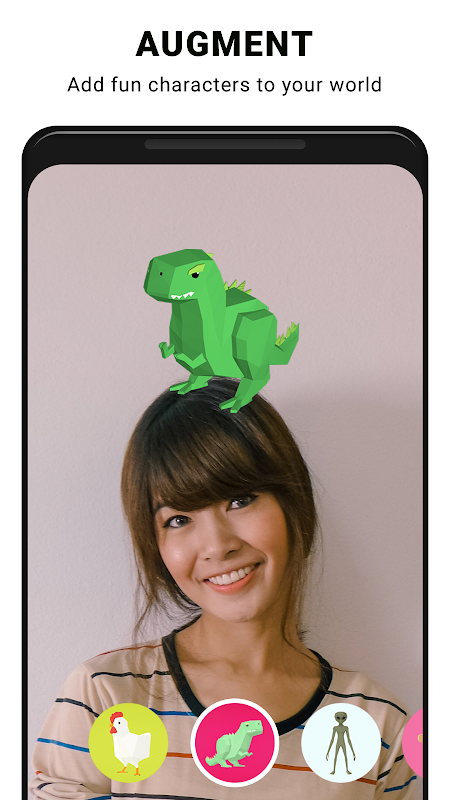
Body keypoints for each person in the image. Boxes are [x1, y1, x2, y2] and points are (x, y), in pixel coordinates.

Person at [29, 378, 417, 798]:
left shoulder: (379, 727)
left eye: (240, 499)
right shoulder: (105, 698)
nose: (217, 545)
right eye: (179, 519)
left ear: (293, 503)